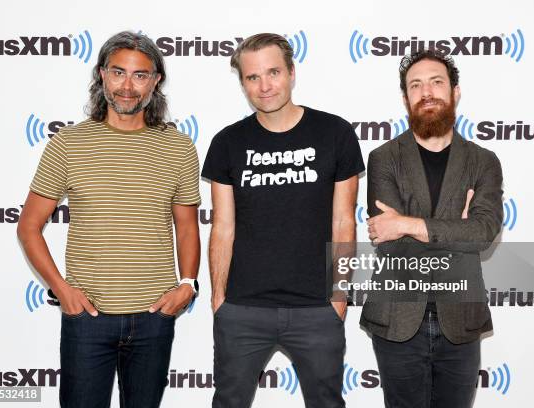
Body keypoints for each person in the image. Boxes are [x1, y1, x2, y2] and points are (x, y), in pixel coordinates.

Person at [17, 31, 201, 408]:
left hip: (154, 316)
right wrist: (61, 289)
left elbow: (186, 225)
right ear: (102, 74)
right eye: (118, 72)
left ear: (156, 81)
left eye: (140, 75)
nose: (127, 86)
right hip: (88, 317)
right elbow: (29, 226)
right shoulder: (68, 143)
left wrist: (187, 284)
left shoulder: (179, 147)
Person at [202, 33, 364, 408]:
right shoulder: (227, 142)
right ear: (242, 82)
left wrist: (339, 295)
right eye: (252, 77)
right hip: (243, 309)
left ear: (292, 72)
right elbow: (223, 227)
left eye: (273, 72)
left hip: (316, 309)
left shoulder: (335, 133)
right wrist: (219, 299)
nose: (264, 85)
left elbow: (344, 222)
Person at [360, 48, 503, 408]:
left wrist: (407, 223)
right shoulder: (383, 158)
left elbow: (483, 233)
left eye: (437, 83)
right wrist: (457, 229)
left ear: (455, 92)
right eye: (416, 85)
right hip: (397, 318)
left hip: (461, 320)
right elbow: (388, 243)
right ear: (405, 97)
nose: (427, 92)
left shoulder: (483, 162)